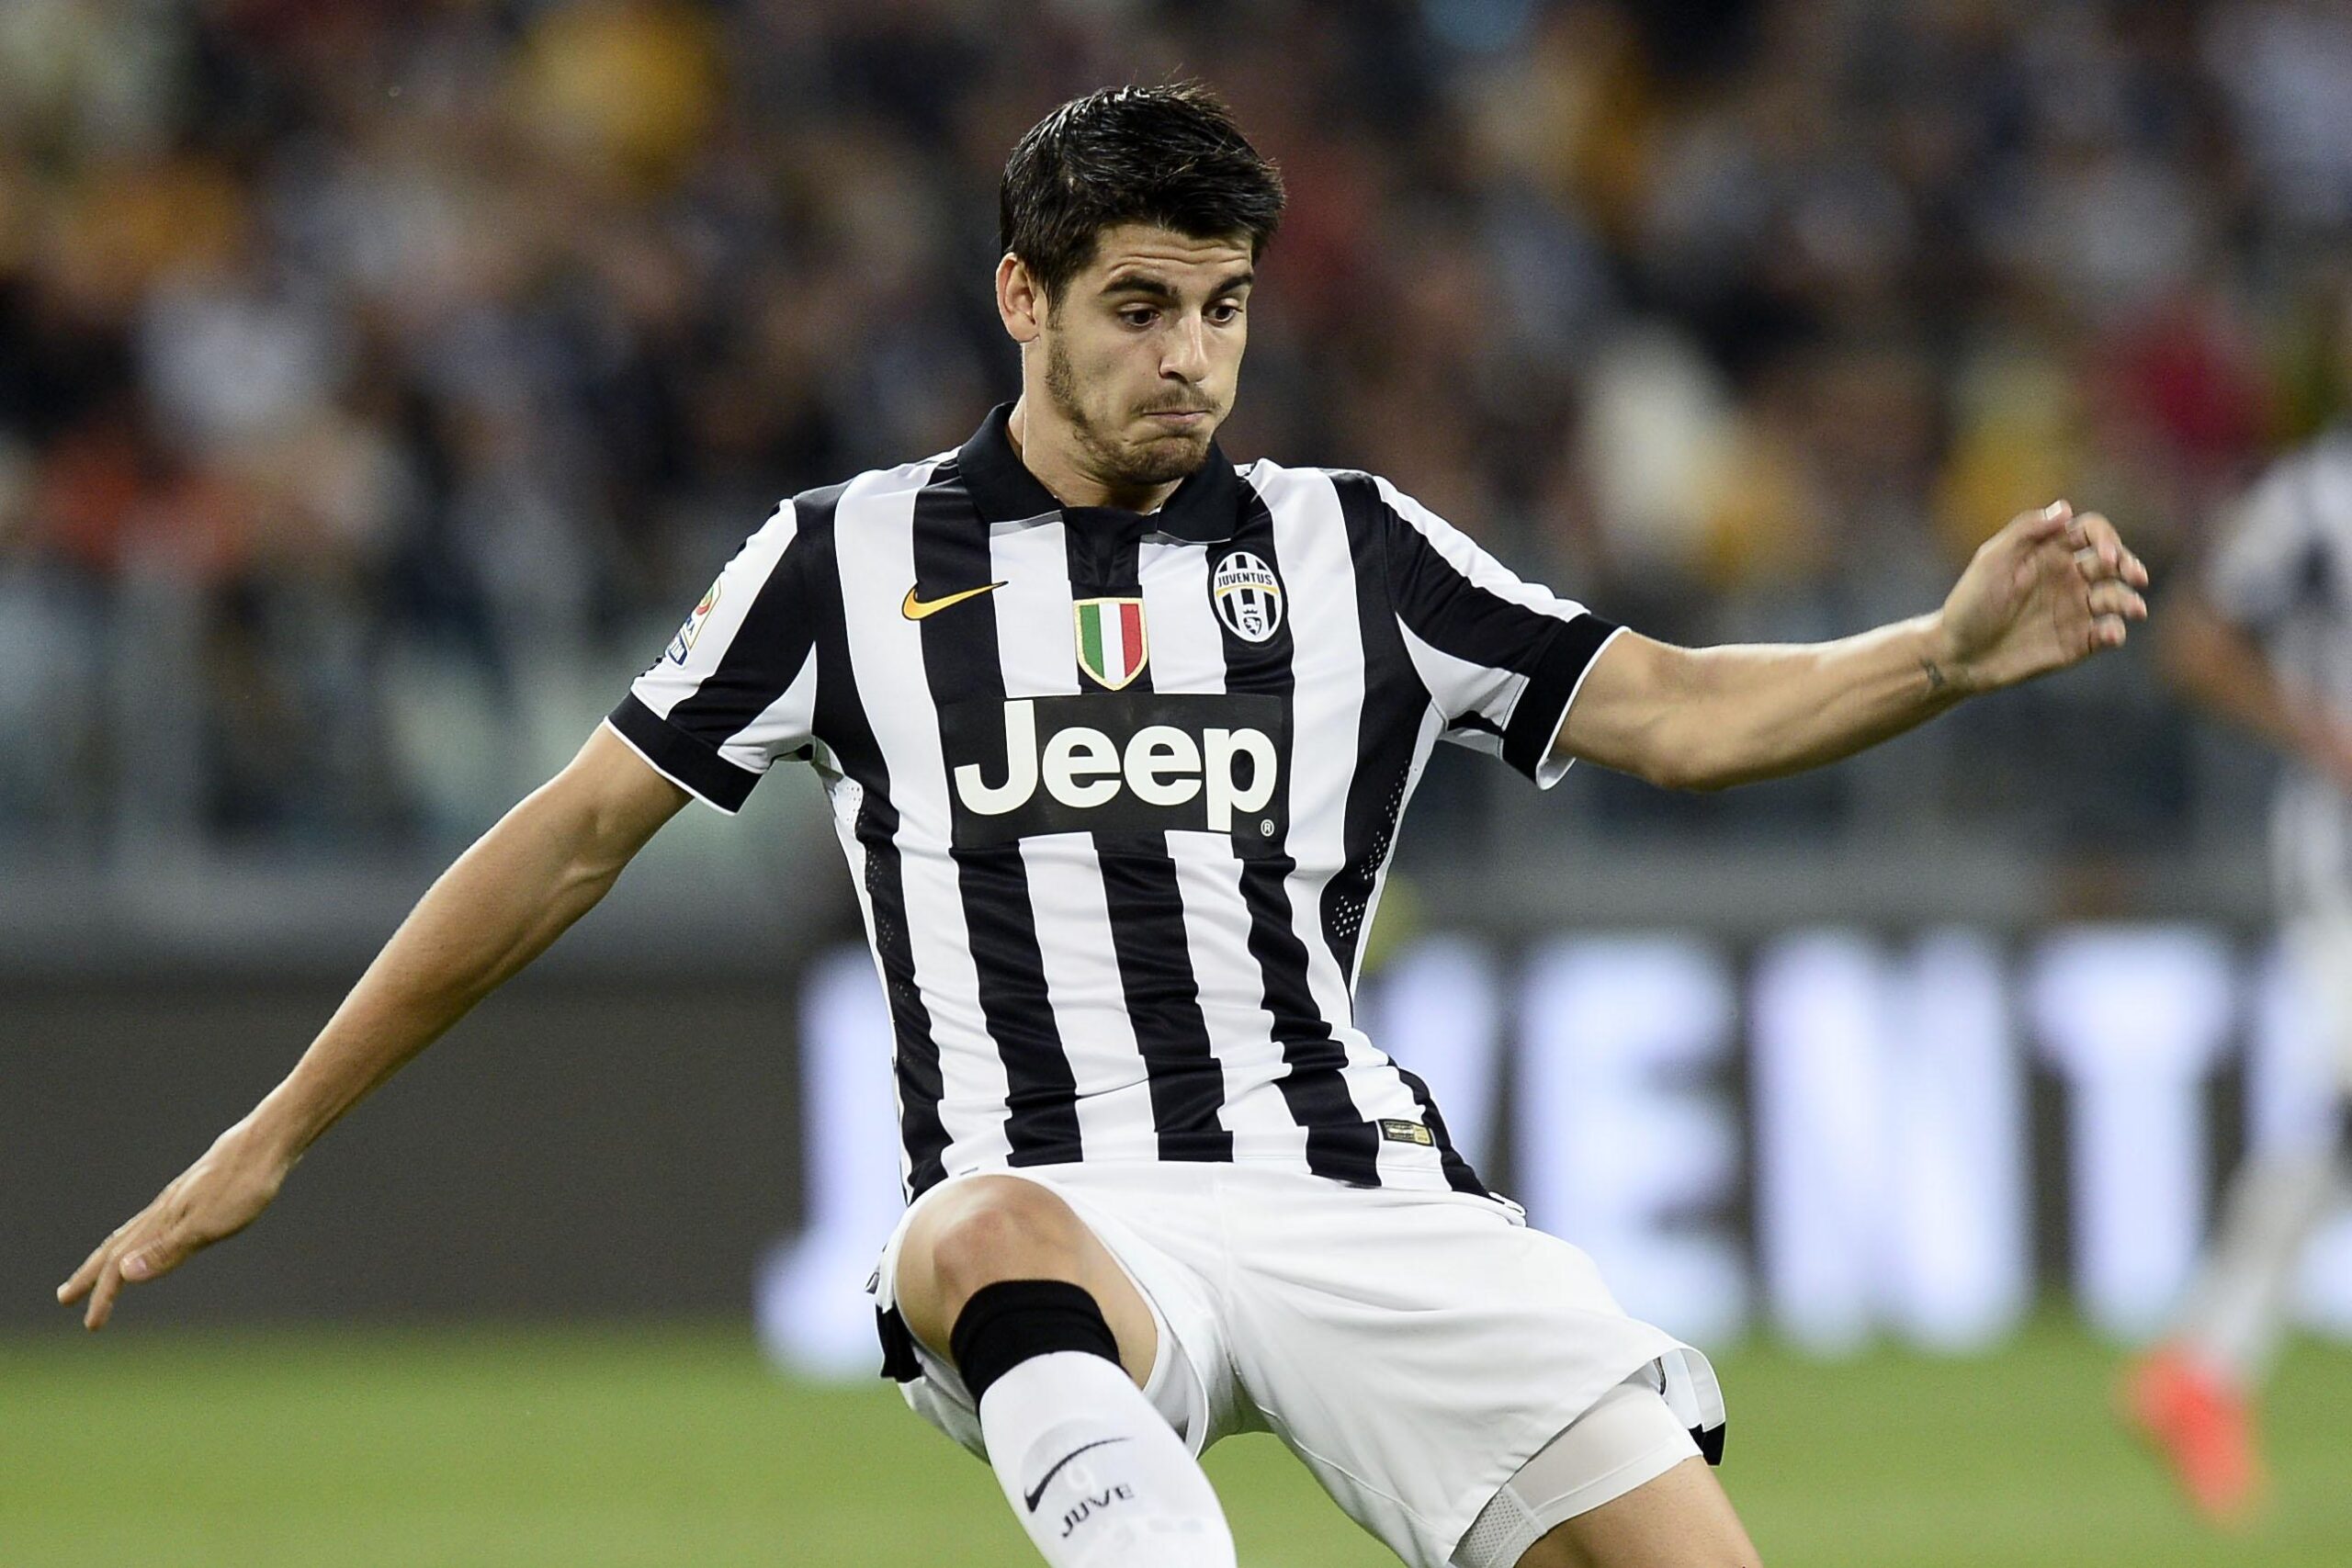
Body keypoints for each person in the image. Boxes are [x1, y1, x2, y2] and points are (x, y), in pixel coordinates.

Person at [62, 84, 2148, 1568]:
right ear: (1022, 298)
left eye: (1223, 308)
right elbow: (571, 836)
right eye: (1140, 305)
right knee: (966, 1235)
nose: (1190, 357)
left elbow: (1677, 713)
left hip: (1358, 1195)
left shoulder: (1354, 549)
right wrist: (278, 1129)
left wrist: (1938, 655)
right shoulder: (844, 558)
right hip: (1062, 1202)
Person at [2123, 336, 2352, 1525]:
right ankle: (2204, 1365)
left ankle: (2202, 1368)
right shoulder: (2311, 500)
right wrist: (2317, 734)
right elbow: (2197, 639)